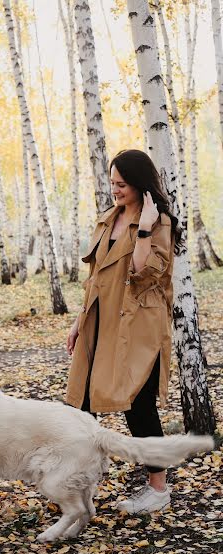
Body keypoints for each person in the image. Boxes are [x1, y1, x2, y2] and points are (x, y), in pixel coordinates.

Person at [66, 149, 181, 515]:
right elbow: (95, 276)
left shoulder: (158, 222)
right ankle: (79, 483)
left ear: (139, 184)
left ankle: (158, 489)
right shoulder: (107, 218)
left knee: (139, 404)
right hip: (99, 322)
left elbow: (145, 272)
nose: (115, 190)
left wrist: (145, 227)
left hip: (136, 326)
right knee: (82, 405)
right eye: (112, 182)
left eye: (122, 184)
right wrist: (78, 321)